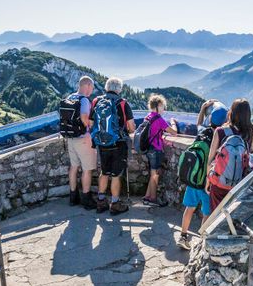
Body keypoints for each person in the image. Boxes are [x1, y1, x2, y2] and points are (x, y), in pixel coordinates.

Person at [176, 100, 227, 249]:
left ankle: (183, 236)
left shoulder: (202, 131)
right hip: (206, 182)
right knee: (207, 213)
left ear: (210, 119)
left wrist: (203, 108)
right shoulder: (220, 137)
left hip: (194, 178)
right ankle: (201, 243)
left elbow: (198, 123)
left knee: (190, 208)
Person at [205, 98, 253, 212]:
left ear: (231, 113)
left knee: (216, 216)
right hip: (239, 184)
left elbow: (210, 159)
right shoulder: (250, 132)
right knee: (233, 215)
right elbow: (252, 150)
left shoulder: (220, 131)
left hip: (219, 183)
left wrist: (208, 180)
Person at [91, 77, 135, 215]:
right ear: (119, 89)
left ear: (106, 87)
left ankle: (101, 202)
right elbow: (131, 127)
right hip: (118, 144)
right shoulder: (122, 103)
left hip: (101, 143)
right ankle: (115, 204)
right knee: (116, 175)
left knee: (104, 172)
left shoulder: (96, 101)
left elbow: (91, 123)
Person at [59, 75, 98, 209]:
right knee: (87, 169)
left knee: (74, 167)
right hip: (82, 138)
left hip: (70, 138)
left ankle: (73, 197)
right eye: (92, 87)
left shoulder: (70, 97)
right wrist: (91, 127)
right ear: (87, 85)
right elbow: (84, 118)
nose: (92, 90)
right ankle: (86, 199)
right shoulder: (84, 100)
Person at [140, 93, 178, 207]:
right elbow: (174, 132)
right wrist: (173, 123)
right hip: (156, 149)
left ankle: (147, 197)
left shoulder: (148, 116)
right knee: (155, 174)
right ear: (158, 106)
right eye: (163, 106)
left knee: (153, 173)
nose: (164, 109)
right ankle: (153, 199)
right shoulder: (159, 118)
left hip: (148, 148)